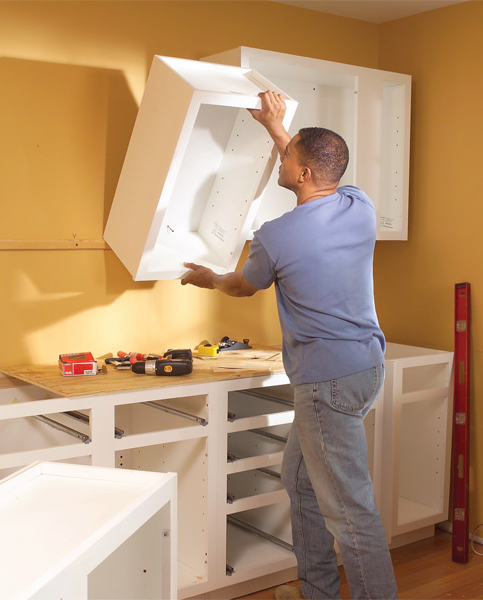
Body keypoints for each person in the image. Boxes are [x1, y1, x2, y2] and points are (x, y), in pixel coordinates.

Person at [181, 91, 397, 600]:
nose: (284, 155)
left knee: (351, 511)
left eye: (289, 153)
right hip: (365, 368)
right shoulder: (359, 206)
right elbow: (310, 168)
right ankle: (316, 591)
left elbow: (241, 286)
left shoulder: (276, 236)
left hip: (326, 381)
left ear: (300, 172)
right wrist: (279, 128)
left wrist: (209, 277)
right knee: (299, 482)